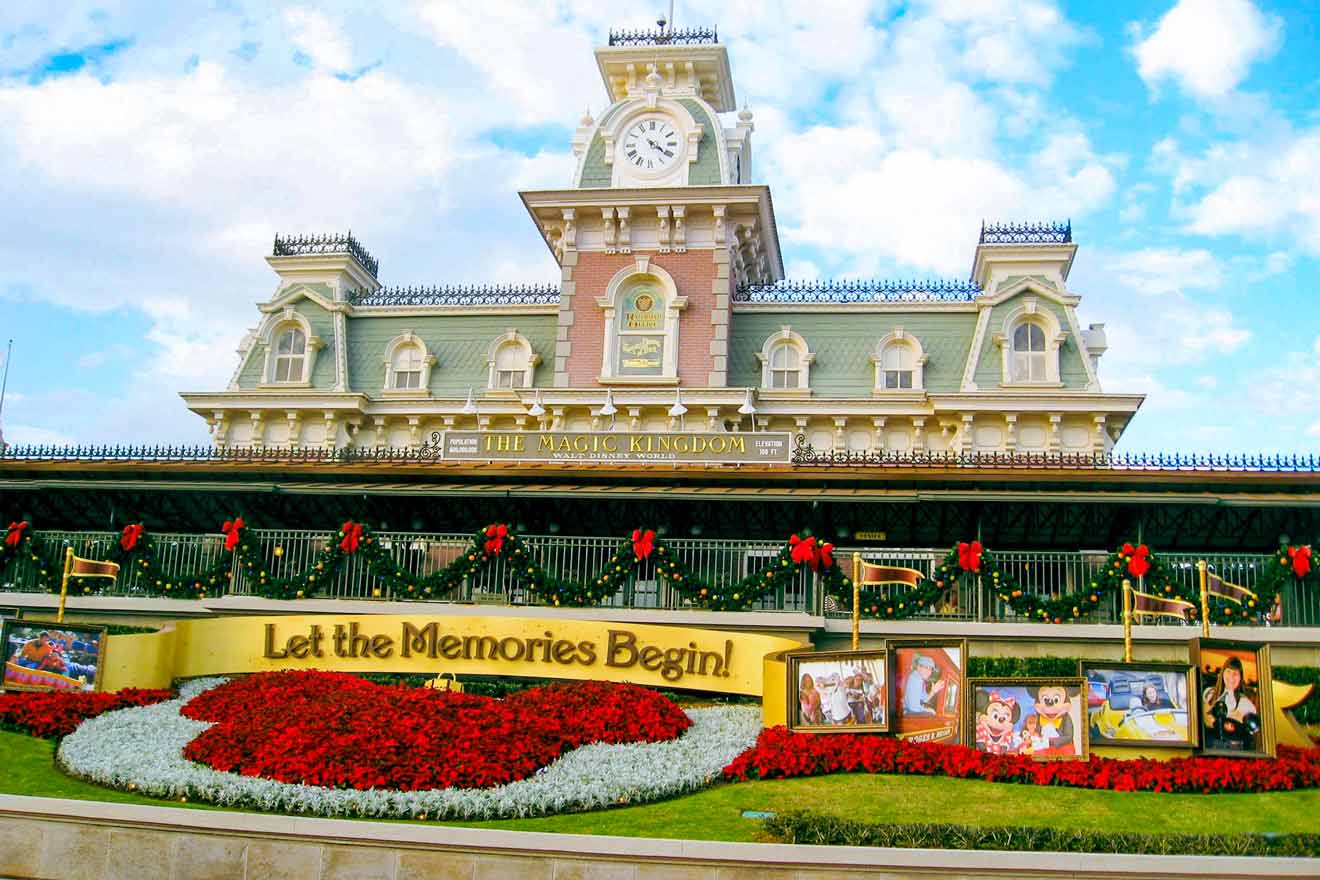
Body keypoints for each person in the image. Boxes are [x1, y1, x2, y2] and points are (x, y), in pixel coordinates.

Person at [1202, 656, 1259, 750]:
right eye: (1228, 671)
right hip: (1209, 744)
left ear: (1241, 678)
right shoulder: (1209, 693)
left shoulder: (1246, 705)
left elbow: (1249, 734)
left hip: (1232, 747)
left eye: (1235, 673)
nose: (1231, 676)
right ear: (1222, 673)